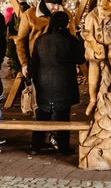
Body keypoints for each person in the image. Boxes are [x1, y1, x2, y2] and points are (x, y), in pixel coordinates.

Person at [30, 10, 84, 155]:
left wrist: (34, 79)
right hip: (64, 83)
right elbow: (80, 59)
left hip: (44, 82)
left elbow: (34, 63)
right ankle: (63, 146)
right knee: (63, 115)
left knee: (42, 114)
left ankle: (36, 145)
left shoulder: (41, 40)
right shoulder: (70, 40)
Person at [15, 0, 62, 79]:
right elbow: (21, 40)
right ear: (46, 2)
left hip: (60, 63)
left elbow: (72, 38)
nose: (56, 7)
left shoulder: (65, 15)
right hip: (38, 63)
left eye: (58, 4)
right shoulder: (29, 15)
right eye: (53, 4)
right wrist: (24, 63)